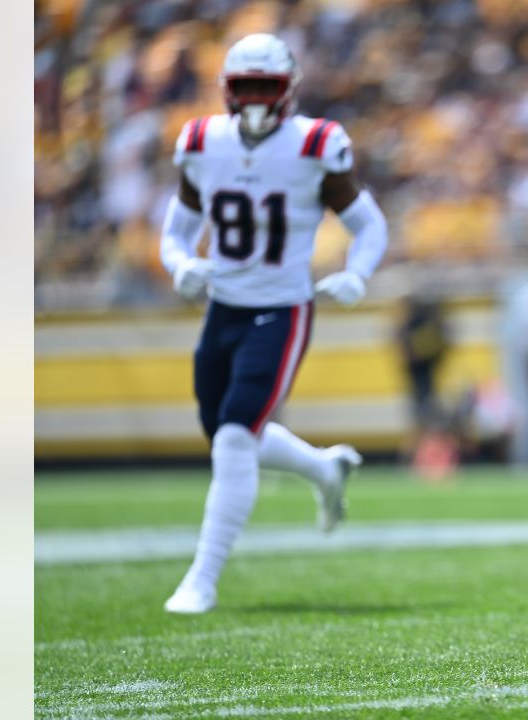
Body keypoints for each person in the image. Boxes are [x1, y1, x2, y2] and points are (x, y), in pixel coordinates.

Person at [157, 34, 389, 614]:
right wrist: (182, 265)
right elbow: (175, 233)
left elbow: (371, 225)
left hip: (282, 309)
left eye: (267, 87)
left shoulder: (315, 143)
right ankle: (323, 467)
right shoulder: (202, 142)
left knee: (235, 437)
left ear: (287, 91)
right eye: (247, 88)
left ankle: (201, 580)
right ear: (228, 92)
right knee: (233, 437)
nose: (256, 99)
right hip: (222, 308)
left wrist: (357, 275)